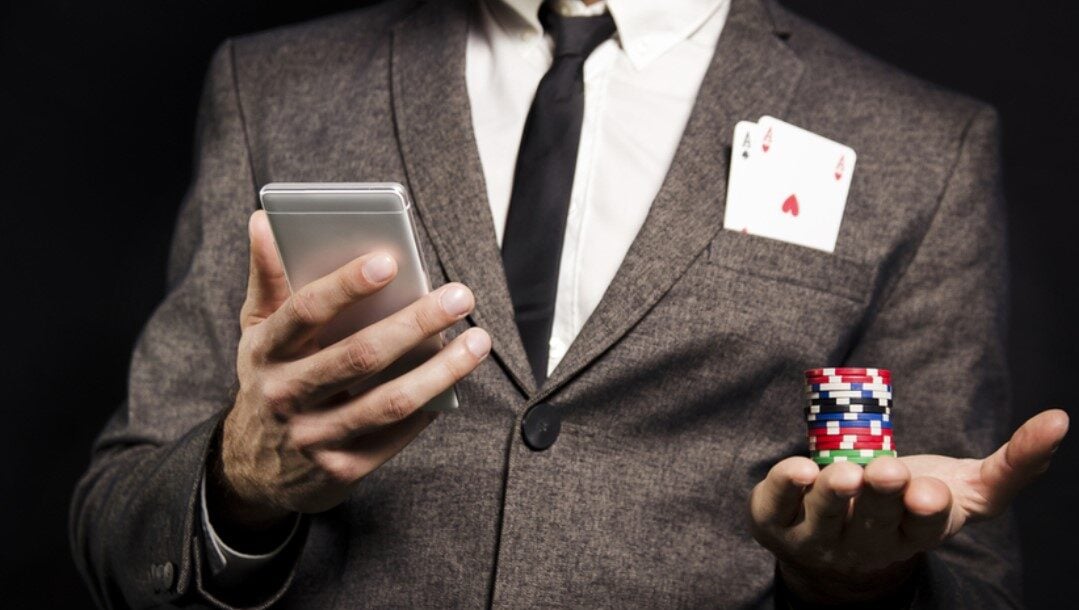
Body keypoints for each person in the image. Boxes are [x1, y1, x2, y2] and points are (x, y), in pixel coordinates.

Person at [71, 0, 1068, 607]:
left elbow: (971, 580)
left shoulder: (919, 148)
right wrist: (239, 484)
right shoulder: (274, 86)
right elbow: (115, 525)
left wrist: (853, 580)